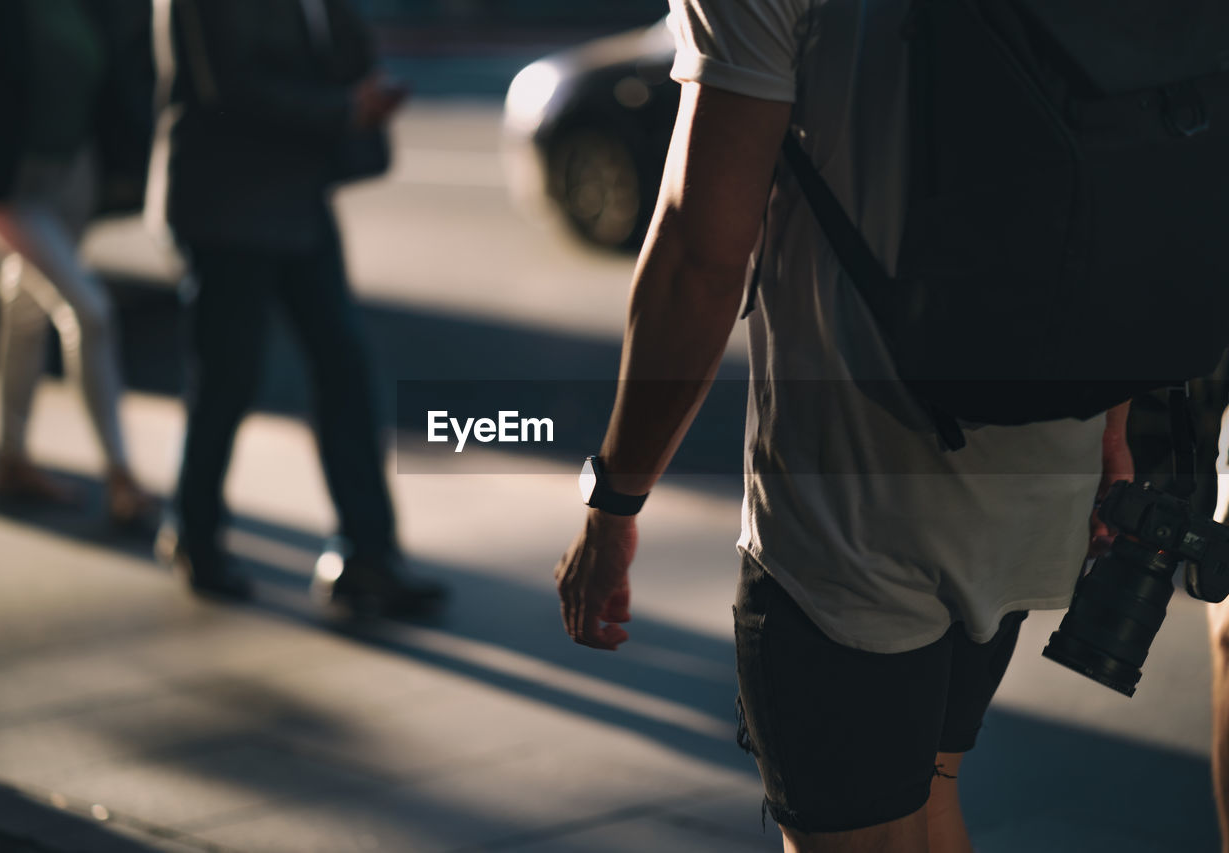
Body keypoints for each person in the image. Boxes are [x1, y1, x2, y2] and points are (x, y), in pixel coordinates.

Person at [553, 3, 1132, 851]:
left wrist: (614, 499)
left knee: (863, 825)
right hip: (1045, 448)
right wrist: (1113, 419)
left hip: (857, 495)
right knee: (927, 795)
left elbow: (698, 254)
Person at [161, 0, 445, 614]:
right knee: (228, 379)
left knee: (343, 367)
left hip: (300, 200)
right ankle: (196, 534)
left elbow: (343, 52)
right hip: (229, 209)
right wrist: (344, 110)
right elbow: (228, 89)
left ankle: (367, 556)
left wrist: (364, 90)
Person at [0, 0, 157, 524]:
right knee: (91, 312)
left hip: (70, 173)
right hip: (9, 191)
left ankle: (11, 458)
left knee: (26, 310)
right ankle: (120, 473)